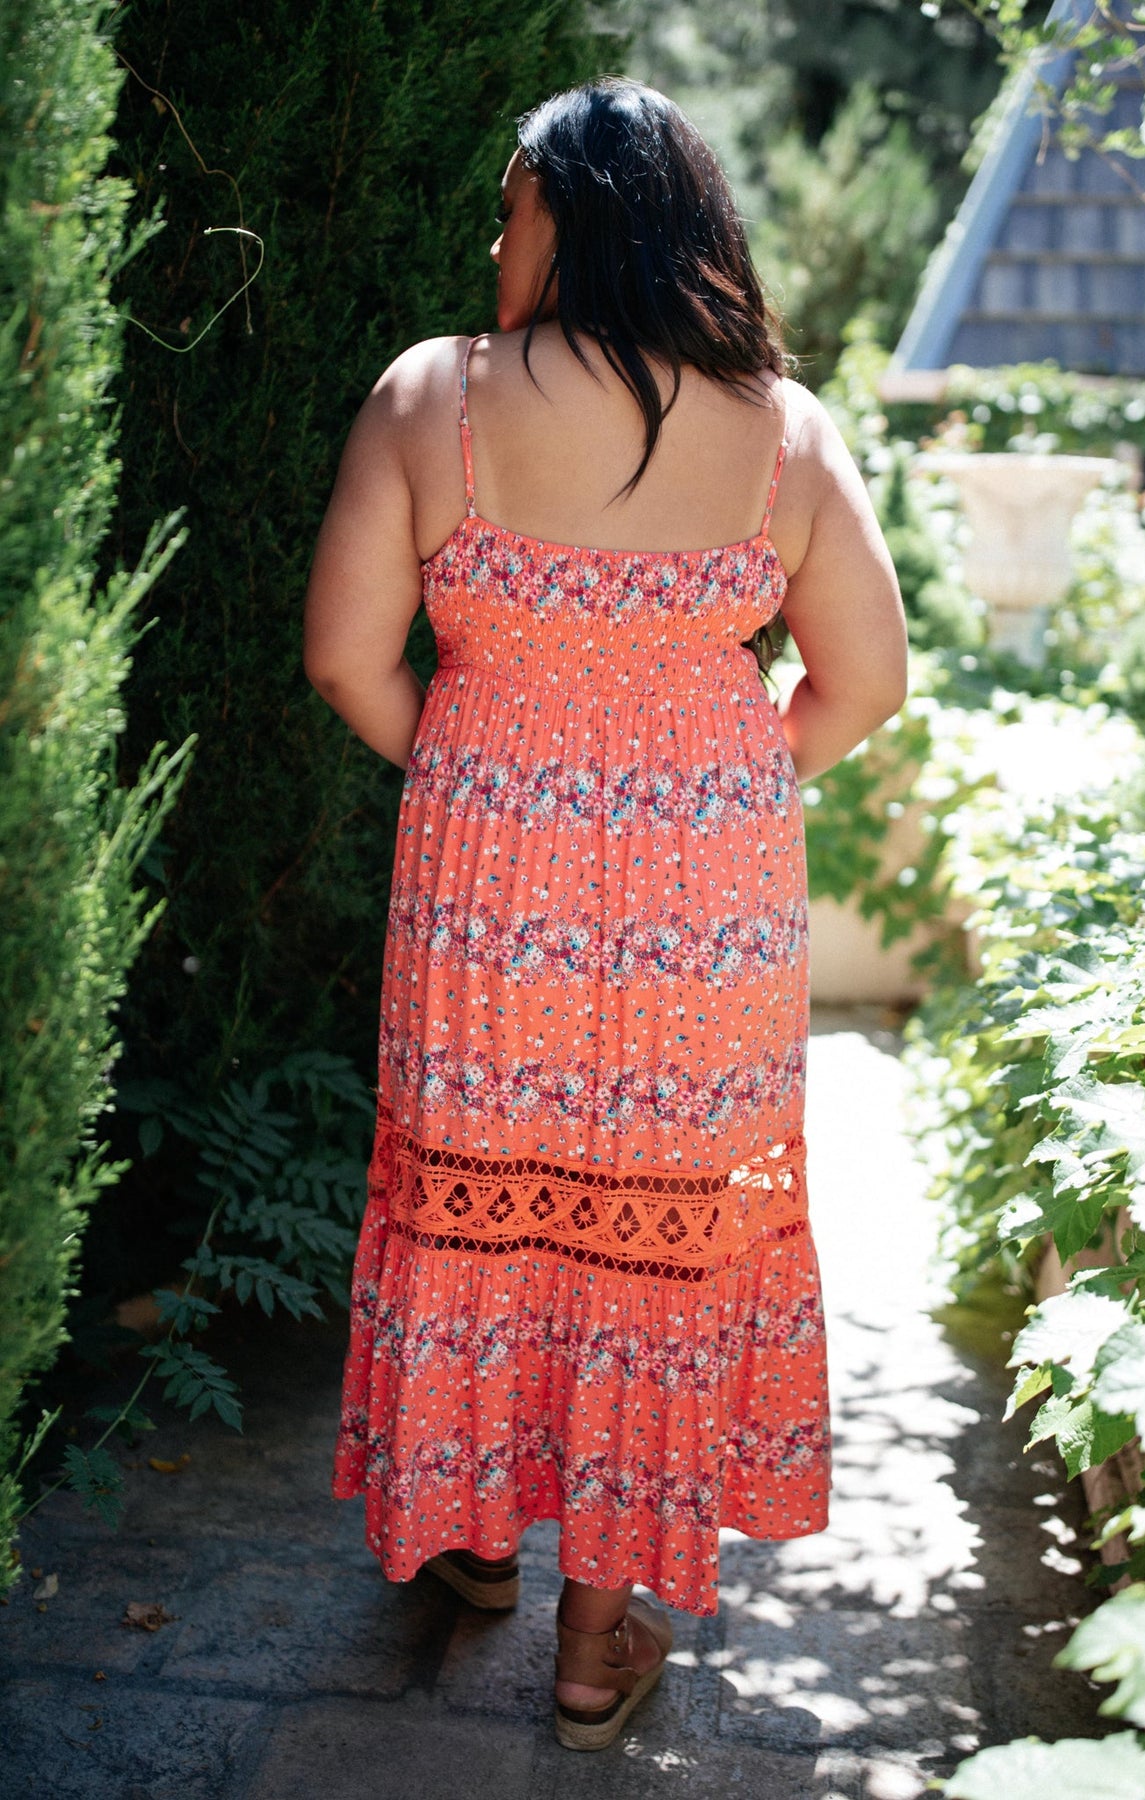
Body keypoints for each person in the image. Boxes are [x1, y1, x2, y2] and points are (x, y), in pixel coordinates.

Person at [304, 76, 907, 1753]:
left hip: (486, 897)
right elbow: (866, 679)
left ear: (580, 216)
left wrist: (494, 776)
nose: (496, 241)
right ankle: (586, 1647)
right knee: (653, 1227)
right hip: (705, 914)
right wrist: (712, 789)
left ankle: (474, 1539)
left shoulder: (435, 397)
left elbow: (347, 656)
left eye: (514, 210)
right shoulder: (781, 429)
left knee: (485, 1200)